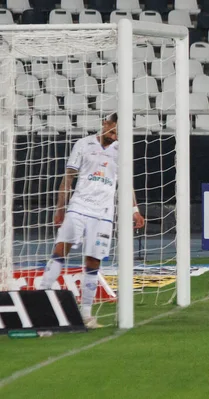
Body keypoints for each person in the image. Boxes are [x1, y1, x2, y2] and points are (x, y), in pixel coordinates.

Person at [39, 113, 145, 328]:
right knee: (61, 250)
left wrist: (135, 210)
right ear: (105, 124)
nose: (115, 137)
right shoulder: (83, 144)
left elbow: (126, 183)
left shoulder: (121, 151)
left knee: (93, 261)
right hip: (78, 207)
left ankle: (86, 315)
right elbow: (68, 177)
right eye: (112, 131)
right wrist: (61, 208)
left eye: (118, 134)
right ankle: (41, 301)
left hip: (103, 213)